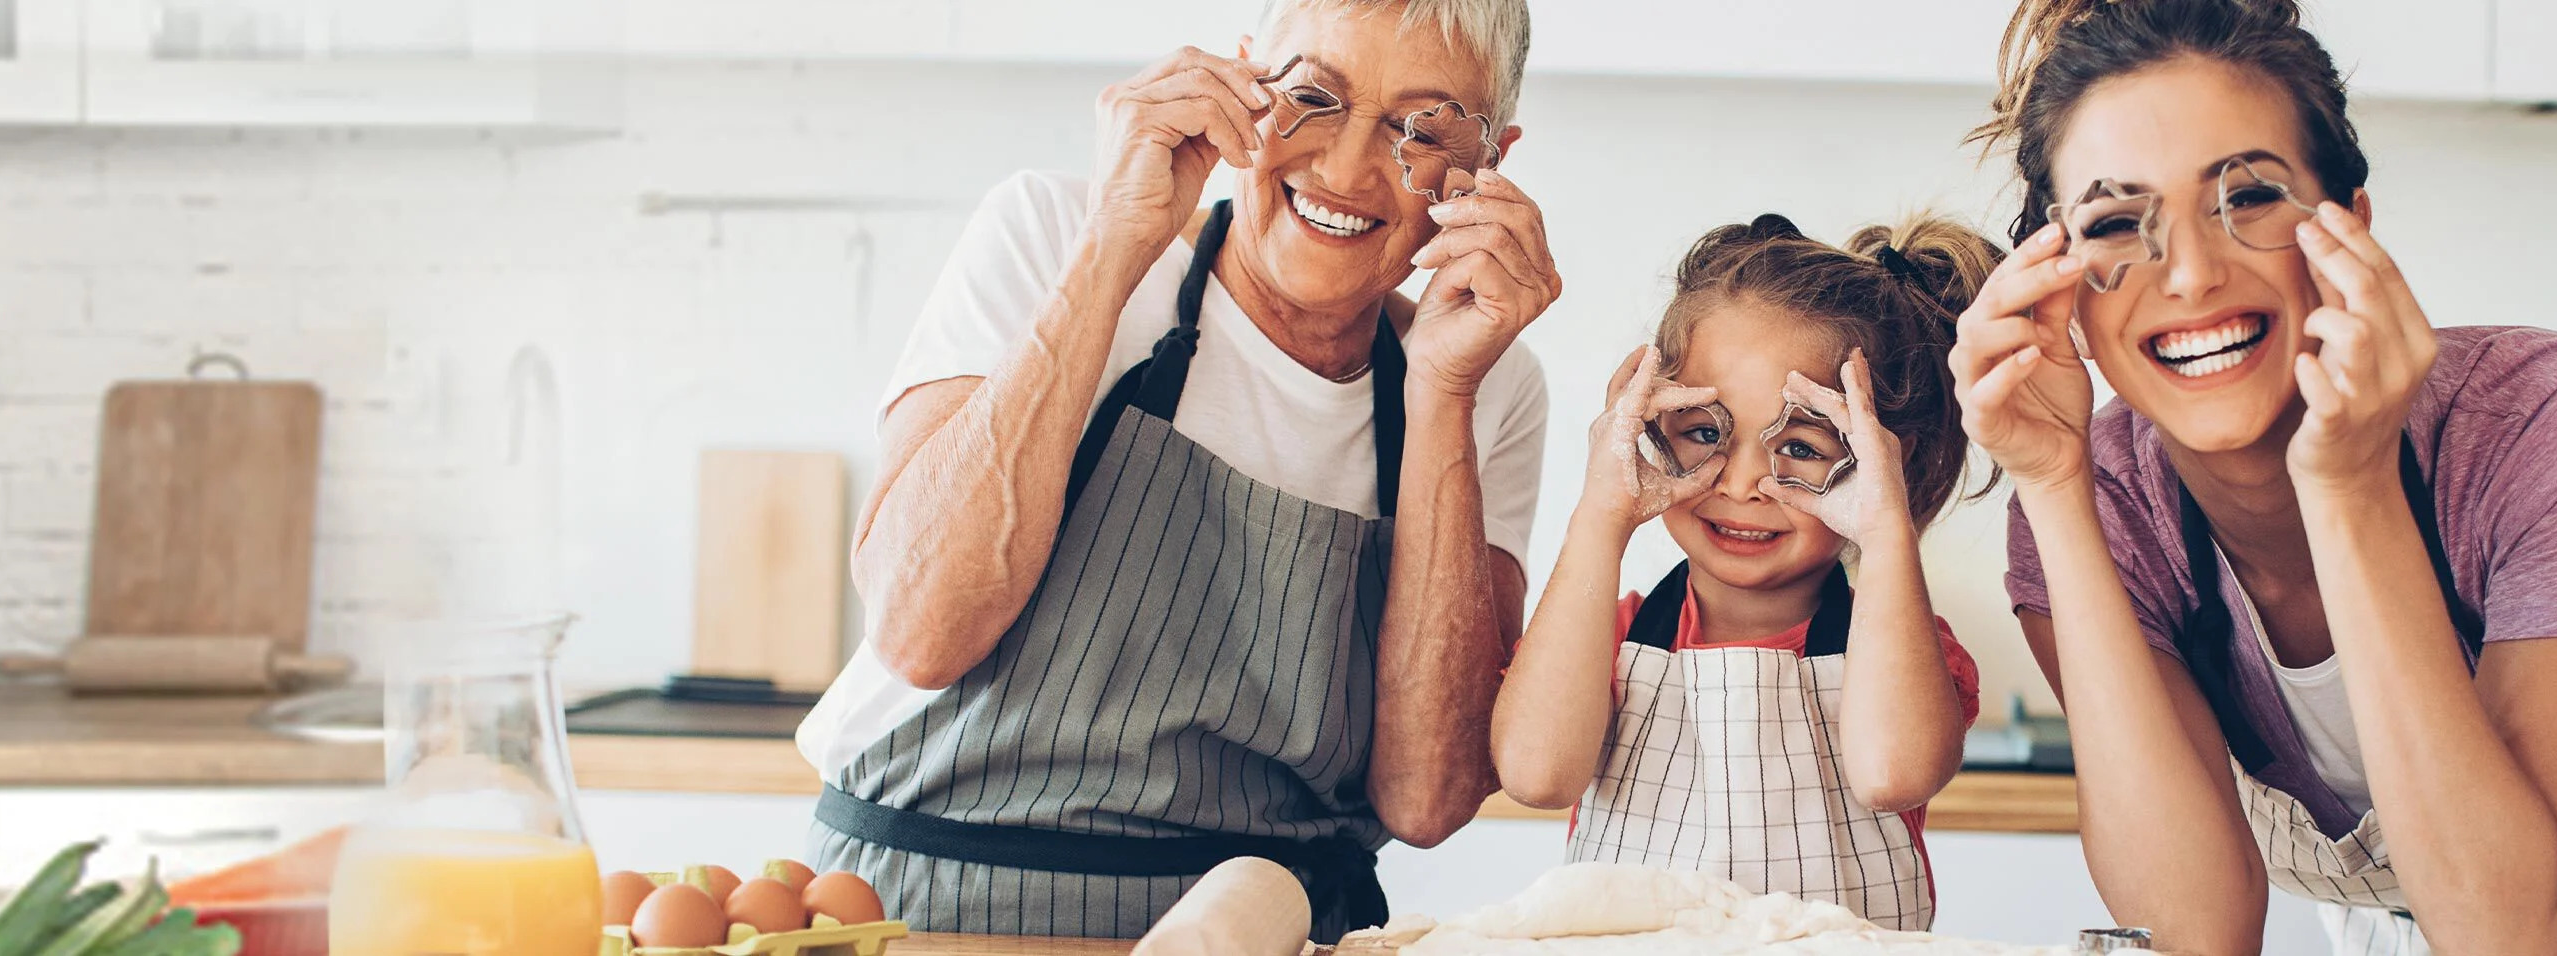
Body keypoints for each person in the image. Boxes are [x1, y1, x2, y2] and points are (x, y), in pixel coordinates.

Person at [1952, 1, 2557, 952]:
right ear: (2057, 284)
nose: (2189, 274)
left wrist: (2350, 483)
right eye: (2114, 219)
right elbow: (2190, 933)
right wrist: (2052, 485)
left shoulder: (2549, 418)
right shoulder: (2096, 503)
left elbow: (2510, 932)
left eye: (2249, 198)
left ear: (2350, 225)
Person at [792, 0, 1554, 941]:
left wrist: (1441, 393)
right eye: (1312, 95)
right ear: (1241, 83)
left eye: (1422, 128)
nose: (1350, 168)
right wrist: (1113, 246)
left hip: (1264, 930)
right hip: (928, 911)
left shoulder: (1487, 377)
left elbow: (1427, 801)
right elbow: (919, 633)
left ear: (1490, 161)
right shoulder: (1050, 229)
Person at [1493, 213, 1993, 931]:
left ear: (1889, 460)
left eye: (1800, 445)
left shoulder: (1903, 650)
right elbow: (1535, 776)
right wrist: (1603, 512)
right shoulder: (1612, 636)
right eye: (1704, 433)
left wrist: (1885, 528)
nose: (1743, 482)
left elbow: (1893, 775)